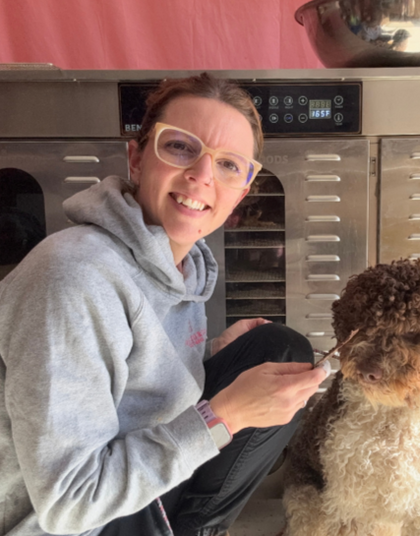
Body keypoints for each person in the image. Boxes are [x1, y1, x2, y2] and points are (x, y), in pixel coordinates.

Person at [0, 73, 329, 536]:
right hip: (71, 523)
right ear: (137, 159)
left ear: (242, 192)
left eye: (228, 165)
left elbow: (130, 382)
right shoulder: (72, 278)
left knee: (276, 349)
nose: (202, 175)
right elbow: (69, 505)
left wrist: (209, 354)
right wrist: (227, 414)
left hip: (139, 485)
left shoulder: (181, 265)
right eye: (180, 147)